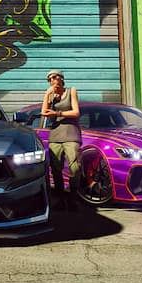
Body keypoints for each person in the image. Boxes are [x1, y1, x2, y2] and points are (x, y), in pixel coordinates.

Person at [41, 69, 81, 210]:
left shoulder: (71, 91)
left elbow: (76, 112)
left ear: (61, 78)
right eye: (49, 79)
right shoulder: (51, 96)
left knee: (75, 167)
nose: (52, 80)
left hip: (71, 134)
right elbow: (43, 112)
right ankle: (60, 198)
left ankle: (73, 197)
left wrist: (57, 113)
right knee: (56, 168)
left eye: (54, 77)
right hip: (55, 136)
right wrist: (47, 94)